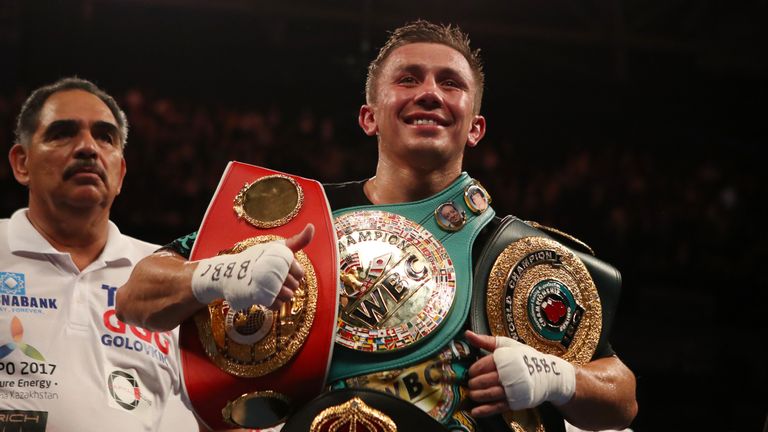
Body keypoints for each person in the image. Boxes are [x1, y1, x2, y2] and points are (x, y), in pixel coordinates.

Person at [116, 20, 637, 431]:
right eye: (408, 78)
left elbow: (621, 398)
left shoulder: (514, 255)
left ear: (474, 127)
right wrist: (217, 275)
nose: (429, 93)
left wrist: (558, 376)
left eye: (450, 83)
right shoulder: (304, 218)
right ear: (369, 116)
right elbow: (136, 296)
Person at [0, 77, 197, 431]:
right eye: (63, 133)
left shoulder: (173, 274)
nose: (88, 148)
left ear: (120, 173)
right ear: (22, 164)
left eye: (105, 137)